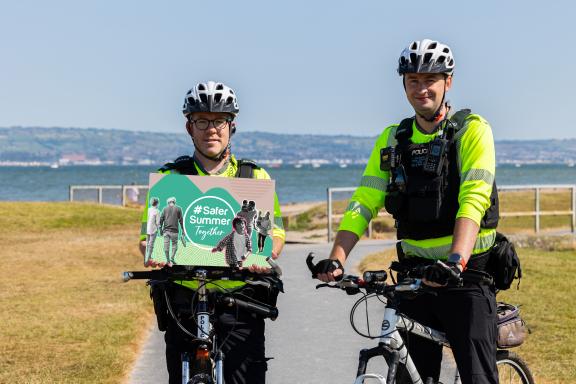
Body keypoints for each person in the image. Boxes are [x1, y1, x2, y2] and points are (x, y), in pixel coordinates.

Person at [314, 39, 500, 384]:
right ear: (404, 85)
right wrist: (337, 258)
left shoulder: (472, 130)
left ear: (448, 82)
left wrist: (456, 260)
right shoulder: (392, 139)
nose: (422, 88)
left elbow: (474, 199)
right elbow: (363, 202)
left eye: (430, 79)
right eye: (413, 80)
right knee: (409, 376)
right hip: (415, 277)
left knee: (477, 376)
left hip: (466, 274)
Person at [138, 81, 286, 384]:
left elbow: (276, 234)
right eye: (202, 121)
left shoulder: (254, 177)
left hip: (239, 297)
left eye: (219, 121)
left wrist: (264, 254)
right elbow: (147, 238)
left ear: (231, 126)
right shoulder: (171, 178)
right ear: (189, 127)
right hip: (185, 299)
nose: (211, 129)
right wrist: (152, 255)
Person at [159, 196, 185, 266]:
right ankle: (172, 257)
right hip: (175, 231)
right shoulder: (179, 209)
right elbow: (181, 220)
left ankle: (168, 260)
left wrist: (160, 229)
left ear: (168, 202)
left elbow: (161, 220)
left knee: (166, 247)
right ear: (174, 202)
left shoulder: (164, 209)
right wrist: (183, 230)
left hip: (166, 231)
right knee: (174, 246)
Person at [144, 197, 161, 266]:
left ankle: (147, 256)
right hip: (153, 230)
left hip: (147, 229)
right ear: (157, 203)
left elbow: (146, 219)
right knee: (151, 245)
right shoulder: (157, 211)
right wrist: (160, 229)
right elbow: (157, 223)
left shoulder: (148, 210)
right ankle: (147, 259)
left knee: (147, 244)